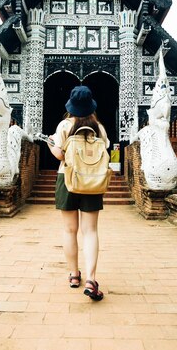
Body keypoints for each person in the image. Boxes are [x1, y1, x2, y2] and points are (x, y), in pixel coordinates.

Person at [47, 86, 109, 301]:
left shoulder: (64, 125)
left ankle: (74, 275)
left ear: (71, 106)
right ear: (91, 106)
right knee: (90, 231)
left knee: (69, 230)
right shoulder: (99, 128)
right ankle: (91, 278)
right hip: (92, 180)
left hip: (68, 179)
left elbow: (59, 155)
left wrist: (50, 143)